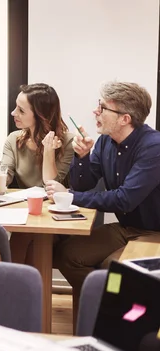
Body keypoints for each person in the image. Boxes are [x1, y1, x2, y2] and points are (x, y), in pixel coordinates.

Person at [45, 81, 160, 327]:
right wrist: (82, 157)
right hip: (127, 228)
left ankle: (121, 319)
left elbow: (124, 199)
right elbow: (83, 183)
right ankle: (108, 311)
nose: (96, 112)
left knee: (113, 268)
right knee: (68, 254)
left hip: (155, 233)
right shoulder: (106, 141)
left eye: (102, 107)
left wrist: (70, 196)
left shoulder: (153, 147)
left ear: (124, 118)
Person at [0, 83, 75, 188]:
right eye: (16, 107)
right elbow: (3, 179)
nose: (13, 113)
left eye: (21, 110)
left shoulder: (69, 141)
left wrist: (48, 151)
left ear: (40, 116)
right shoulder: (14, 139)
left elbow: (51, 186)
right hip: (25, 207)